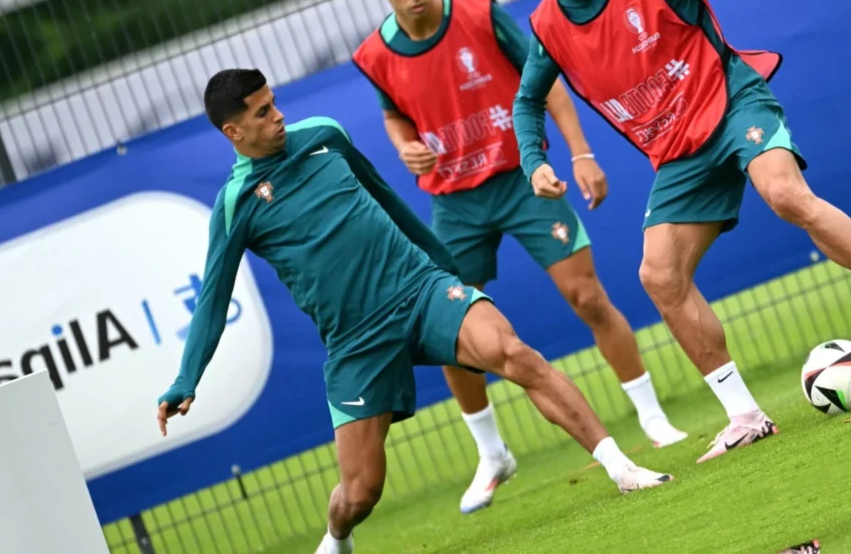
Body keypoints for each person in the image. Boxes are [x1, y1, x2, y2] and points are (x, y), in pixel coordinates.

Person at [155, 69, 671, 554]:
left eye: (275, 104)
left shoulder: (324, 135)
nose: (279, 116)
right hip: (355, 341)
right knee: (360, 495)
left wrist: (444, 269)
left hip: (419, 289)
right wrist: (186, 379)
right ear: (234, 130)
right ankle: (336, 538)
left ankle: (621, 468)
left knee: (512, 352)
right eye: (263, 112)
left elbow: (386, 200)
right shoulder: (235, 202)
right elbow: (213, 301)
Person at [492, 0, 851, 463]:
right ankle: (745, 416)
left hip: (731, 104)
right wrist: (534, 159)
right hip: (679, 153)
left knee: (783, 194)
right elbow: (526, 100)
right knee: (658, 276)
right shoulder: (546, 28)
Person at [351, 0, 686, 513]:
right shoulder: (374, 55)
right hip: (453, 201)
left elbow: (546, 80)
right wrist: (404, 145)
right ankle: (492, 453)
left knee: (587, 297)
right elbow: (394, 116)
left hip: (522, 181)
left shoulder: (480, 15)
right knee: (451, 331)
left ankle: (652, 417)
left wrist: (579, 153)